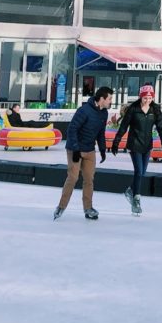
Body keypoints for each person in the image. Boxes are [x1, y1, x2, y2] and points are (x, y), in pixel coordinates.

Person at [54, 86, 112, 222]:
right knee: (73, 177)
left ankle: (88, 208)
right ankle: (61, 207)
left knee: (89, 179)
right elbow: (72, 129)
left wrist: (103, 149)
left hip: (90, 150)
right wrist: (75, 149)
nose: (110, 102)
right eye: (109, 99)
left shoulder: (104, 113)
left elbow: (100, 133)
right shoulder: (84, 110)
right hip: (75, 149)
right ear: (102, 98)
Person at [111, 84, 162, 216]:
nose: (147, 100)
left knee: (142, 172)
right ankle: (136, 199)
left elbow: (160, 127)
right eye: (145, 98)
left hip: (147, 145)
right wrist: (116, 142)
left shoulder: (155, 109)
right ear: (140, 97)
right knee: (138, 171)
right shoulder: (133, 109)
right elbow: (123, 126)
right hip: (134, 144)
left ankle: (131, 190)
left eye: (150, 98)